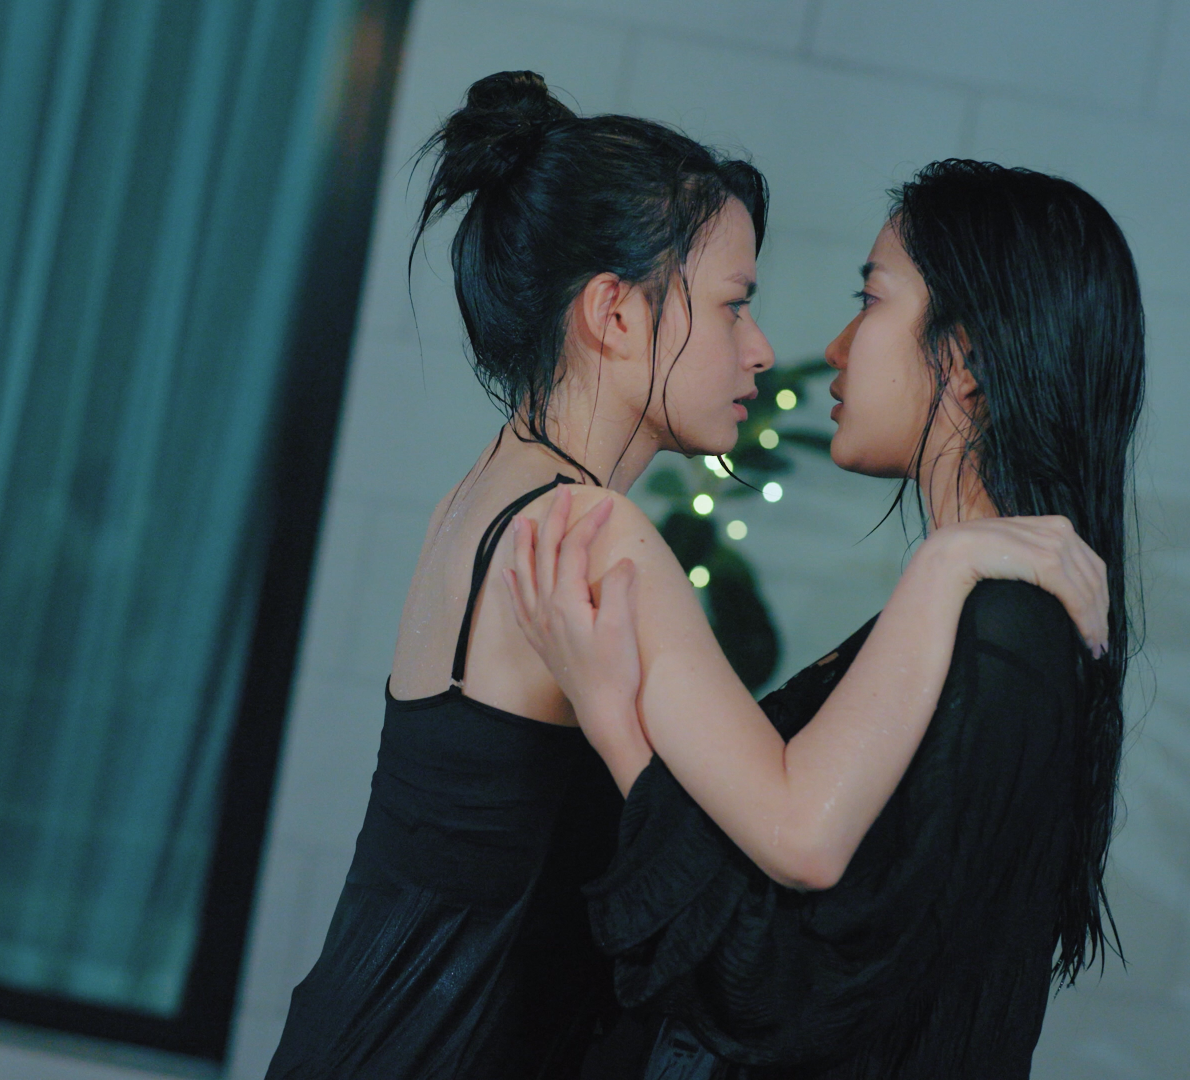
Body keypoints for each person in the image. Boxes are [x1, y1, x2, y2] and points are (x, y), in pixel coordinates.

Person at [265, 71, 1110, 1079]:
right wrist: (951, 556)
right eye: (732, 307)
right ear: (615, 314)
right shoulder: (594, 534)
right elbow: (799, 831)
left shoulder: (486, 495)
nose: (761, 350)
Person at [504, 159, 1144, 1077]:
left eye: (870, 300)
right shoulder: (973, 618)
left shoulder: (1002, 635)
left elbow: (776, 985)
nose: (837, 348)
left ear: (966, 359)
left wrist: (614, 719)